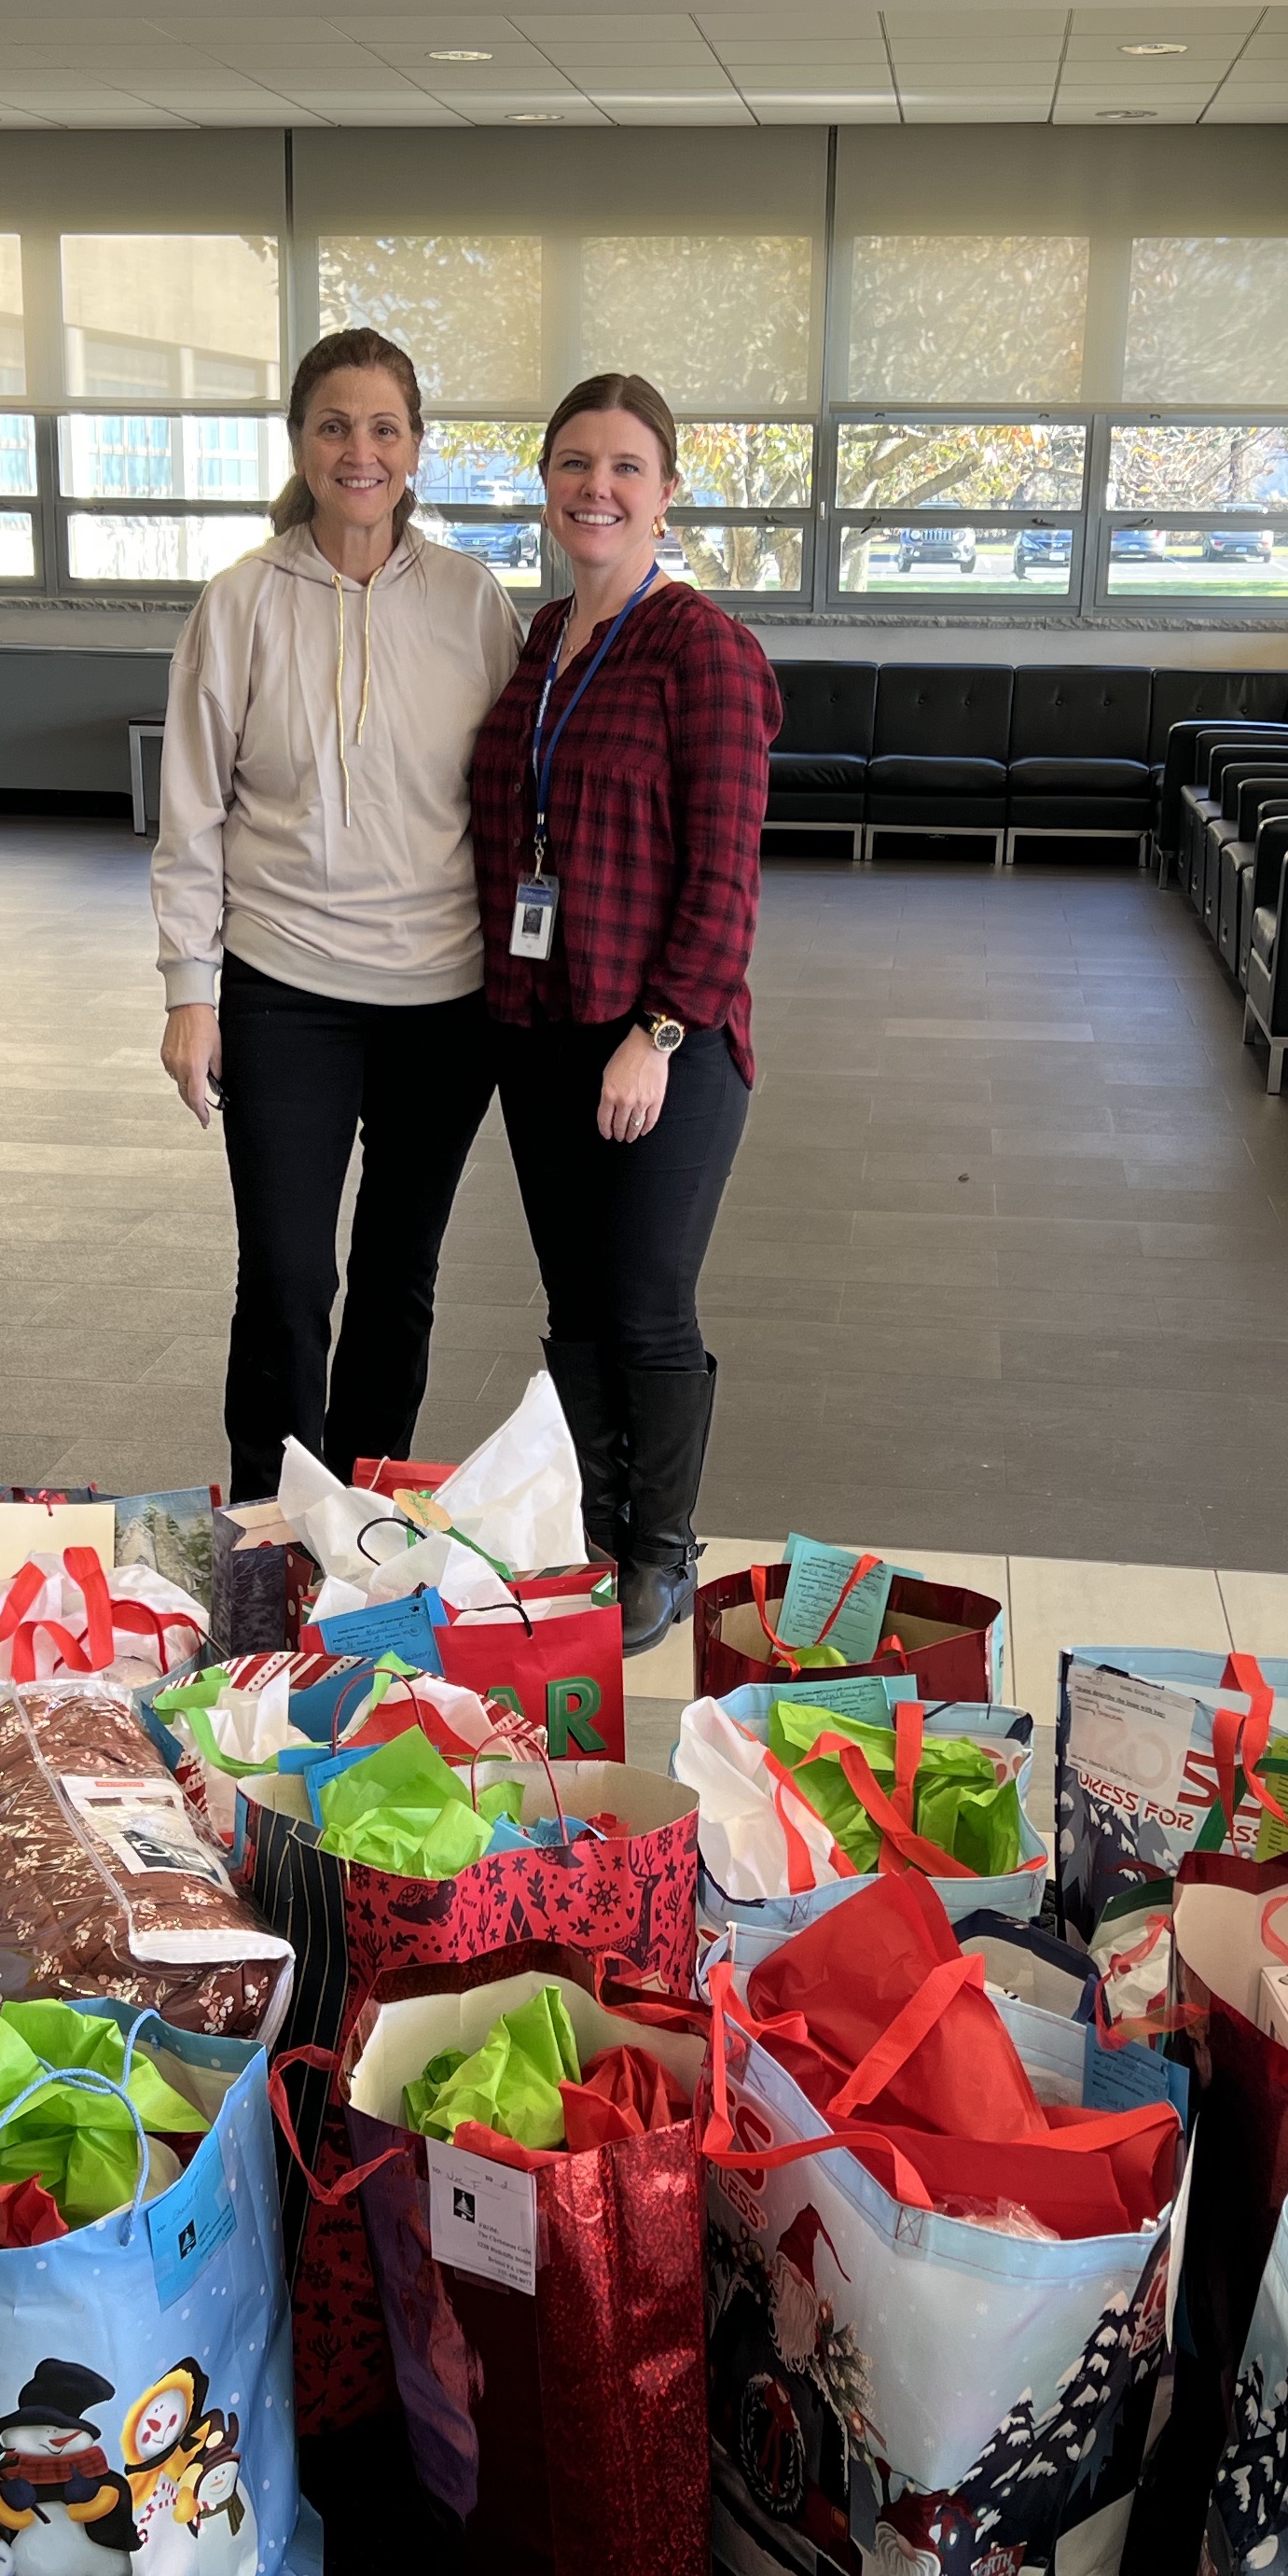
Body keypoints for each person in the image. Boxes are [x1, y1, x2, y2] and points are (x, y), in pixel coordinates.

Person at [155, 329, 527, 1502]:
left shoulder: (475, 603)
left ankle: (363, 1513)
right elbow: (193, 810)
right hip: (285, 990)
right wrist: (187, 992)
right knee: (281, 1275)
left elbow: (520, 801)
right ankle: (271, 1516)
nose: (359, 452)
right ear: (301, 445)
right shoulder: (239, 603)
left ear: (417, 449)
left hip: (443, 1002)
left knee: (397, 1276)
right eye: (334, 426)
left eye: (383, 429)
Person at [467, 372, 782, 1650]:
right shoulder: (543, 640)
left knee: (646, 1301)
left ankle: (659, 1545)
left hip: (661, 1039)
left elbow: (726, 868)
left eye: (626, 467)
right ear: (547, 485)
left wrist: (658, 1030)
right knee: (573, 1303)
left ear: (665, 492)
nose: (598, 486)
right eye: (575, 464)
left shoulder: (702, 648)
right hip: (539, 1025)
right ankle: (596, 1527)